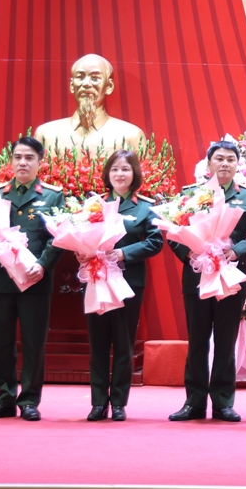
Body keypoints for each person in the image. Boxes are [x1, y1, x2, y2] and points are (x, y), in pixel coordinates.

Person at [167, 140, 246, 423]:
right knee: (197, 340)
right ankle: (194, 402)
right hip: (197, 275)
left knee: (226, 341)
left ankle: (223, 402)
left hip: (231, 276)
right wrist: (189, 252)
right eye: (219, 158)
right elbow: (173, 231)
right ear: (209, 163)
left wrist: (236, 251)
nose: (224, 164)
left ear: (237, 165)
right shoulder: (191, 195)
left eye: (230, 159)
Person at [0, 137, 65, 421]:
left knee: (34, 343)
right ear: (10, 161)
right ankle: (3, 399)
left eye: (29, 158)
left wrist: (43, 265)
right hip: (1, 279)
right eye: (18, 157)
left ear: (40, 162)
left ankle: (29, 401)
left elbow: (58, 238)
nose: (22, 163)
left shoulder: (53, 196)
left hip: (35, 279)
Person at [81, 150, 163, 422]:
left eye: (125, 169)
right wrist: (80, 252)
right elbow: (79, 237)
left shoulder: (145, 207)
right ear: (108, 174)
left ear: (134, 174)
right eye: (115, 169)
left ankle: (118, 402)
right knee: (98, 344)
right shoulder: (94, 205)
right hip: (97, 280)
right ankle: (97, 403)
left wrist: (124, 253)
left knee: (124, 343)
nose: (119, 174)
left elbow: (155, 242)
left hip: (128, 283)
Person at [34, 53, 146, 153]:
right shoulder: (45, 135)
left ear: (109, 86)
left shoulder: (131, 136)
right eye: (80, 77)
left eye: (95, 78)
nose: (86, 84)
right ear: (72, 86)